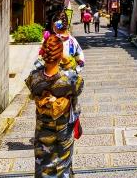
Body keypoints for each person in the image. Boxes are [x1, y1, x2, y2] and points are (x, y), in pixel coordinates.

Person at [25, 34, 84, 178]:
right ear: (59, 56)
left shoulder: (34, 78)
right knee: (63, 167)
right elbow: (79, 86)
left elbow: (31, 80)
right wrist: (68, 59)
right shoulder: (68, 79)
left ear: (44, 54)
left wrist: (42, 60)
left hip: (42, 130)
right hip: (63, 130)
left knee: (42, 167)